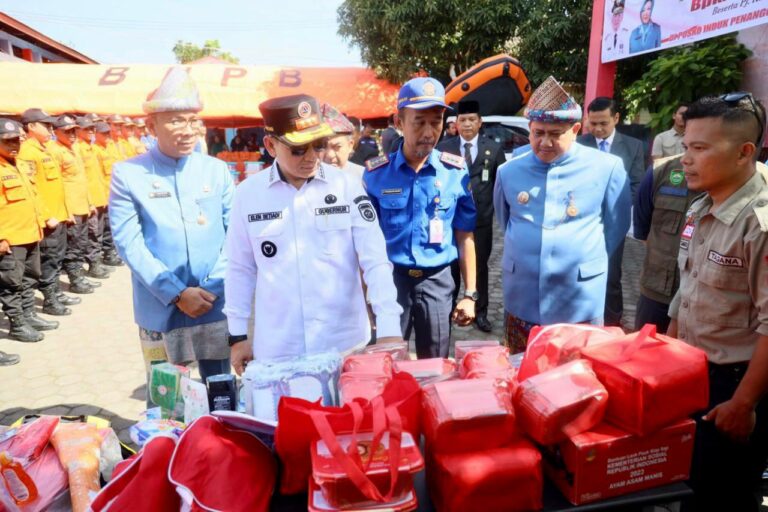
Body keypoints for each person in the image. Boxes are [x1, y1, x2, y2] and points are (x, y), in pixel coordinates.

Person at [224, 94, 404, 372]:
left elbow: (375, 259)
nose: (311, 158)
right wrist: (237, 335)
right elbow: (239, 268)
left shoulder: (347, 187)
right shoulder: (248, 195)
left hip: (344, 345)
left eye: (318, 145)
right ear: (271, 146)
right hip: (279, 350)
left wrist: (389, 326)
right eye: (298, 149)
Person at [666, 93, 768, 512]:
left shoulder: (759, 222)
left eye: (700, 148)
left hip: (737, 387)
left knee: (725, 497)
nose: (685, 159)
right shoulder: (703, 205)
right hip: (696, 377)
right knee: (693, 488)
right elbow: (687, 291)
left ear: (745, 152)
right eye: (686, 146)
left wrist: (743, 403)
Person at [109, 67, 233, 391]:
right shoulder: (128, 174)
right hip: (160, 308)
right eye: (176, 120)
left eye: (193, 120)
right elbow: (129, 243)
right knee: (167, 399)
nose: (188, 130)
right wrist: (176, 293)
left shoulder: (217, 171)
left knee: (220, 391)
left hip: (213, 304)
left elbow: (235, 235)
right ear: (151, 125)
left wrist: (212, 289)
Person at [493, 76, 630, 352]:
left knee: (576, 379)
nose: (545, 142)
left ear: (576, 129)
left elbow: (615, 228)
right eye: (538, 132)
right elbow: (505, 219)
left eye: (555, 134)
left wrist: (578, 256)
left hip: (579, 298)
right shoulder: (508, 171)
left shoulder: (608, 168)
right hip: (523, 294)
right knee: (523, 374)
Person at [364, 77, 478, 359]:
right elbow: (364, 244)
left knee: (436, 364)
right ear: (399, 122)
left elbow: (465, 236)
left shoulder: (455, 172)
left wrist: (469, 294)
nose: (429, 131)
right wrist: (365, 300)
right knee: (386, 362)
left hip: (437, 283)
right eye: (419, 121)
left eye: (436, 121)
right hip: (391, 283)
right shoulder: (375, 175)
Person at [437, 100, 506, 332]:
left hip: (482, 221)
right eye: (462, 120)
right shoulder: (444, 149)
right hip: (452, 221)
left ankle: (480, 311)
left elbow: (500, 185)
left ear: (479, 123)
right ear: (456, 123)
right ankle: (446, 310)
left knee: (481, 267)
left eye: (471, 120)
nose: (466, 124)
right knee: (452, 265)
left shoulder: (493, 149)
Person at [578, 97, 645, 326]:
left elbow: (636, 184)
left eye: (603, 123)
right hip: (584, 221)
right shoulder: (579, 144)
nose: (597, 129)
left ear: (616, 118)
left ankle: (612, 324)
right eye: (593, 123)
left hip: (614, 222)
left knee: (611, 275)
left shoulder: (633, 146)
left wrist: (617, 212)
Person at [17, 109, 76, 316]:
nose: (50, 129)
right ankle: (50, 300)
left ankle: (55, 294)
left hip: (58, 215)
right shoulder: (27, 152)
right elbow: (32, 189)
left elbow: (57, 185)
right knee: (49, 260)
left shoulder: (46, 149)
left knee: (57, 257)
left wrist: (66, 212)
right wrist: (44, 216)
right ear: (31, 127)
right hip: (47, 219)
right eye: (45, 125)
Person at [633, 154, 701, 332]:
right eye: (688, 146)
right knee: (646, 354)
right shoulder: (659, 170)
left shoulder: (756, 179)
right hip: (658, 291)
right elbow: (643, 231)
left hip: (710, 304)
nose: (689, 155)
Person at [0, 119, 50, 345]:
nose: (14, 145)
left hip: (31, 234)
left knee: (31, 277)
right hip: (10, 239)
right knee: (12, 284)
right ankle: (17, 325)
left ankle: (29, 315)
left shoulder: (18, 164)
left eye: (16, 140)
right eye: (7, 141)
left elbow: (34, 197)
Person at [51, 115, 106, 294]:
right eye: (67, 131)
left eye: (74, 130)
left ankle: (78, 277)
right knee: (73, 246)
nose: (72, 134)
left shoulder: (73, 148)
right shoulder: (55, 150)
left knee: (81, 244)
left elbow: (83, 179)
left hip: (82, 204)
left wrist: (90, 203)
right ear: (56, 132)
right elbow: (56, 185)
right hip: (71, 208)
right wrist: (66, 210)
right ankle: (75, 280)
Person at [74, 116, 112, 280]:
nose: (91, 132)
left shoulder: (92, 149)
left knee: (99, 231)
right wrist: (89, 201)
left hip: (100, 196)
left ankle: (96, 261)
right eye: (87, 129)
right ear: (78, 130)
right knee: (93, 233)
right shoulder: (78, 149)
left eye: (92, 129)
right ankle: (93, 264)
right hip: (89, 199)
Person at [91, 121, 123, 268]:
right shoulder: (94, 150)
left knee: (109, 226)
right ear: (96, 133)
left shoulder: (109, 147)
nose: (107, 135)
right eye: (104, 133)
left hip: (112, 192)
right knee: (98, 230)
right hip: (100, 194)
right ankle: (97, 259)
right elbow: (95, 176)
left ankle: (109, 253)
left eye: (108, 132)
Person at [320, 103, 364, 180]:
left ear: (350, 145)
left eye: (337, 147)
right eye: (322, 147)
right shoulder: (302, 181)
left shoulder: (364, 179)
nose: (329, 155)